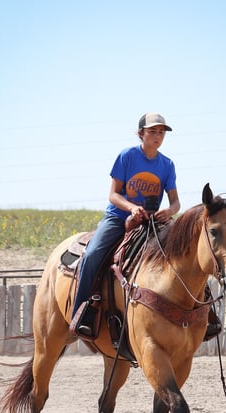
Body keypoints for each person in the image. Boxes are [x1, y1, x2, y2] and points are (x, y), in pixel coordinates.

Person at [70, 112, 181, 339]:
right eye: (152, 131)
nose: (157, 136)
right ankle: (82, 312)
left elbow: (176, 202)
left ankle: (203, 315)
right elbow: (113, 195)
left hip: (152, 221)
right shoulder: (127, 156)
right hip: (118, 218)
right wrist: (131, 208)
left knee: (184, 250)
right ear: (141, 134)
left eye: (161, 132)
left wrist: (169, 211)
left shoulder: (167, 164)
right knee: (92, 254)